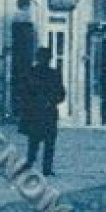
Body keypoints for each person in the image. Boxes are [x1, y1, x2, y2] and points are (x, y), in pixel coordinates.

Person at [16, 47, 65, 176]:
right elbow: (23, 91)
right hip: (38, 112)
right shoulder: (32, 73)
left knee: (45, 142)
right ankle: (34, 165)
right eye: (42, 57)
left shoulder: (52, 74)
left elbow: (61, 93)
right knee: (35, 141)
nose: (44, 60)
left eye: (46, 58)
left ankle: (43, 167)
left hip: (44, 112)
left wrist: (51, 101)